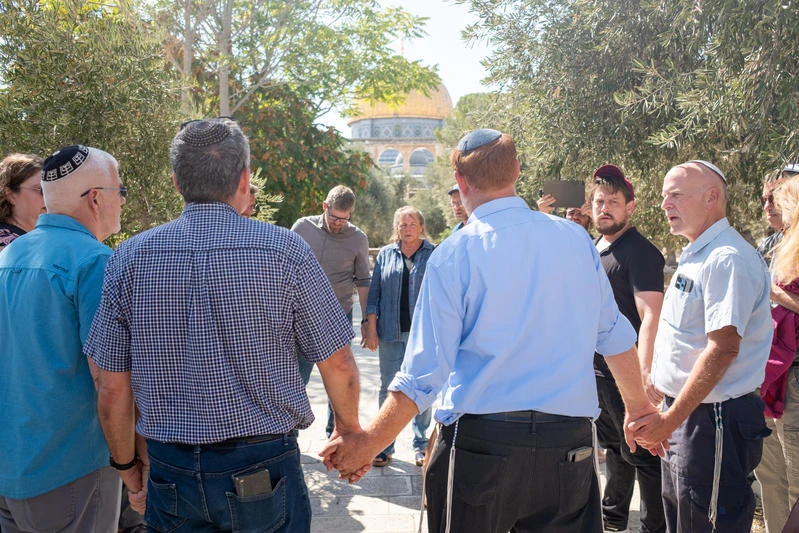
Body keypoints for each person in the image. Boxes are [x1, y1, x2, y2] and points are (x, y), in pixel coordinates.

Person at [321, 128, 665, 532]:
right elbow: (614, 336)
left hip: (482, 451)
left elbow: (424, 374)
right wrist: (640, 411)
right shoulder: (575, 240)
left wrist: (367, 443)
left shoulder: (455, 254)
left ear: (461, 183)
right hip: (567, 449)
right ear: (516, 171)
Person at [84, 118, 362, 532]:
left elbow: (110, 387)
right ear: (244, 178)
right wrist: (350, 434)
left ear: (177, 182)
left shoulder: (128, 259)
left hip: (169, 468)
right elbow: (337, 362)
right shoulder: (285, 250)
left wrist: (129, 470)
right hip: (264, 469)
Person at [631, 160, 773, 533]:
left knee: (706, 523)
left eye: (675, 194)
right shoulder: (699, 252)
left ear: (712, 198)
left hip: (712, 421)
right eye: (664, 196)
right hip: (689, 417)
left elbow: (723, 348)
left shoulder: (726, 258)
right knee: (684, 519)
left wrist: (669, 420)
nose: (665, 204)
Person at [0, 145, 126, 532]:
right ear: (95, 199)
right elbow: (109, 382)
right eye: (121, 191)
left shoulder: (11, 254)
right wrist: (129, 463)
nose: (122, 201)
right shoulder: (93, 261)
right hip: (71, 469)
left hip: (13, 467)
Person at [589, 164, 666, 533]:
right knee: (617, 451)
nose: (605, 208)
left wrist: (646, 369)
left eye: (614, 202)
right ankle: (613, 518)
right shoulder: (594, 249)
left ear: (630, 206)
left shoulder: (641, 252)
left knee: (646, 455)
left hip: (627, 373)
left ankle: (655, 527)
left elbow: (651, 314)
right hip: (596, 372)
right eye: (599, 201)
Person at [291, 184, 371, 437]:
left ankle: (334, 432)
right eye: (335, 217)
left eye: (345, 219)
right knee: (296, 377)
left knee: (337, 378)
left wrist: (368, 320)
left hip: (337, 315)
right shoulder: (302, 228)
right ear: (325, 207)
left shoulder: (358, 238)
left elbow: (363, 280)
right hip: (301, 315)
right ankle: (288, 433)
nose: (339, 224)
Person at [362, 206, 435, 467]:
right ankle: (383, 445)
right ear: (397, 228)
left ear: (421, 227)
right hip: (390, 332)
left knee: (422, 387)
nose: (407, 229)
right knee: (388, 387)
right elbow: (375, 292)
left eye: (412, 223)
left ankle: (420, 444)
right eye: (402, 225)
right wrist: (370, 324)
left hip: (422, 334)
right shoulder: (386, 254)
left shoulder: (433, 254)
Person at [756, 172, 799, 533]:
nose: (770, 206)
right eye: (766, 199)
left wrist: (775, 292)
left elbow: (771, 293)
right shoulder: (768, 246)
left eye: (779, 198)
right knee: (770, 476)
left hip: (796, 377)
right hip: (767, 373)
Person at [0, 153, 45, 248]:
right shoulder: (8, 247)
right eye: (40, 189)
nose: (48, 196)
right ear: (11, 195)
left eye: (50, 190)